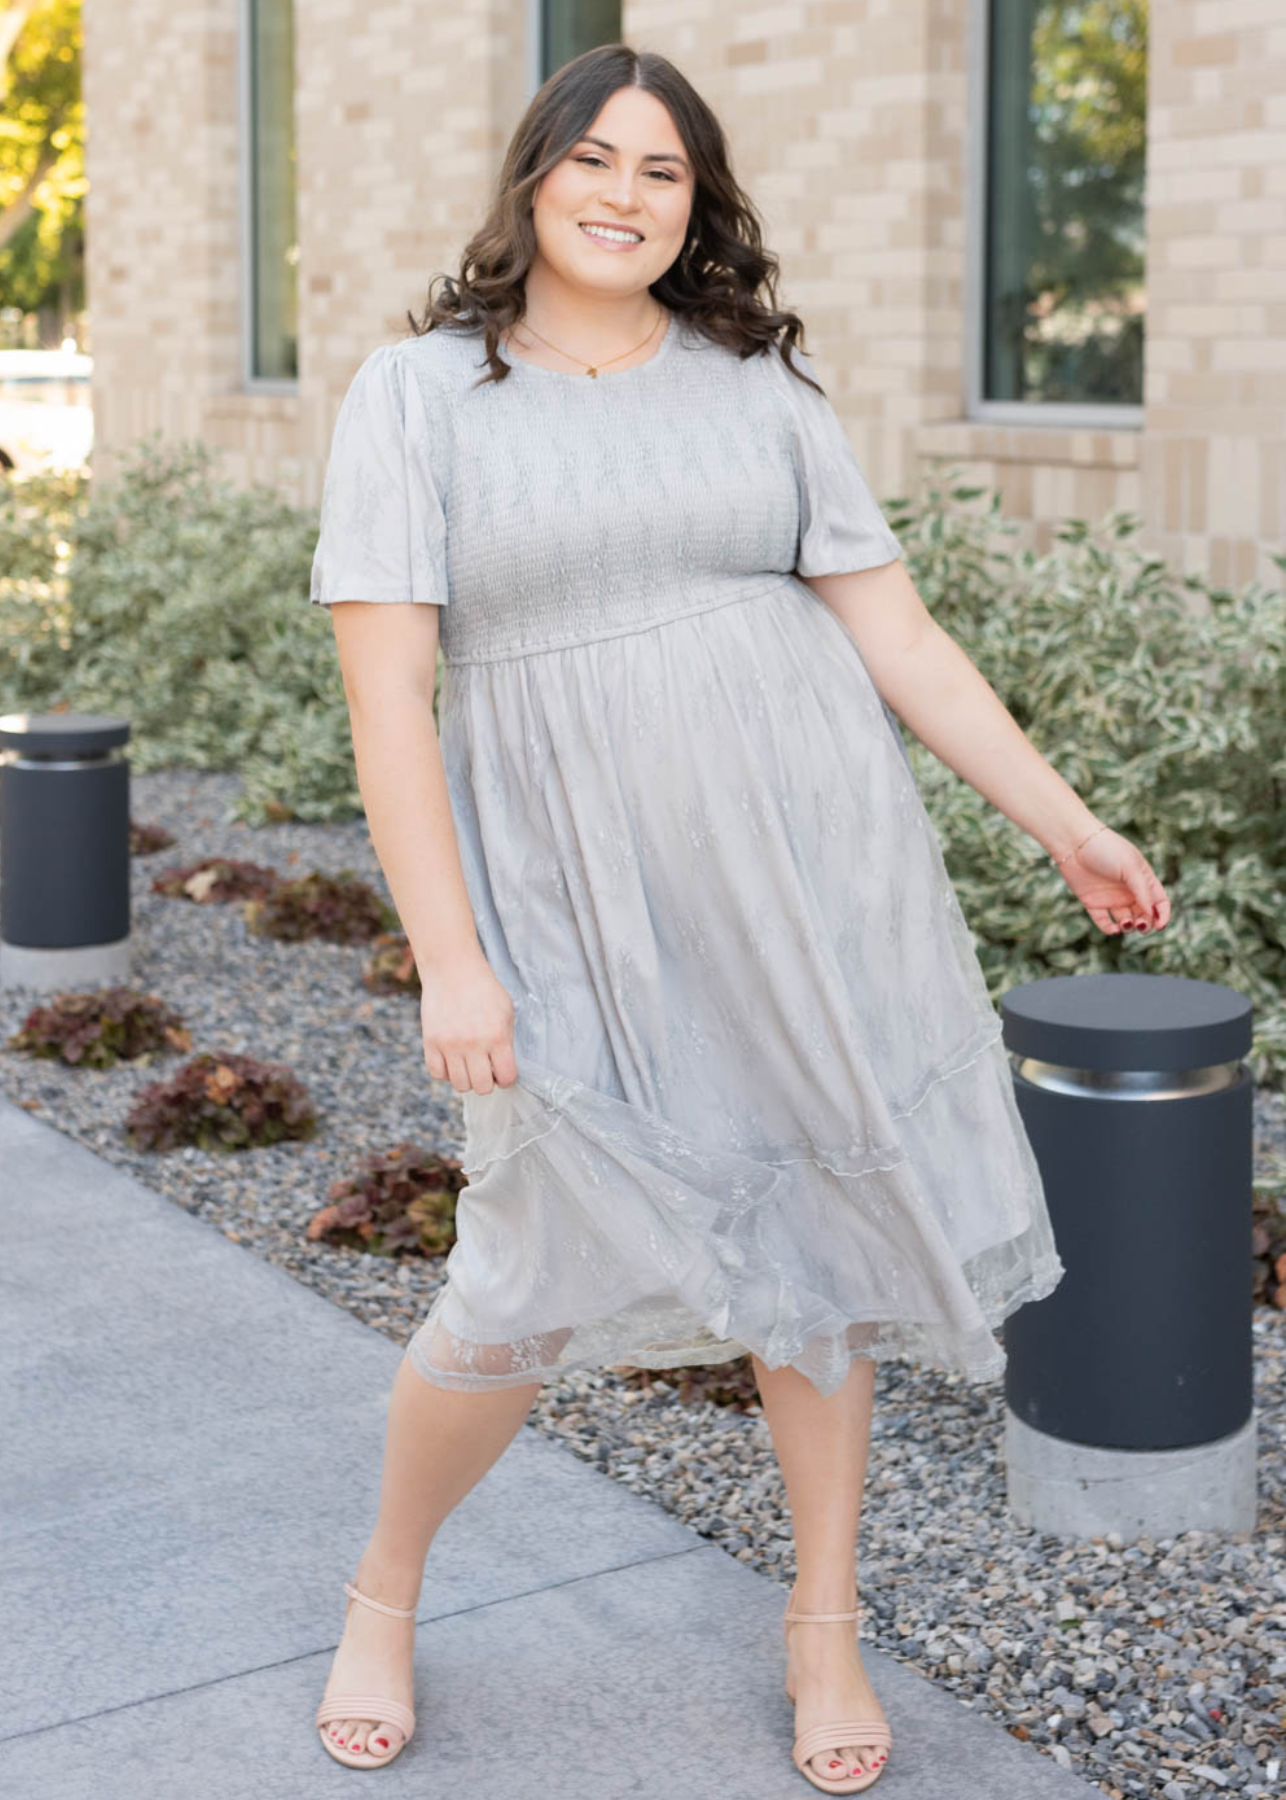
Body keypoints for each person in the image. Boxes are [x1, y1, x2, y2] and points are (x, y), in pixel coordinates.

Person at [305, 43, 1171, 1794]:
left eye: (666, 174)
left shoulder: (758, 382)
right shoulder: (419, 396)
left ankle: (821, 1631)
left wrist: (1064, 821)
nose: (627, 197)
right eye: (596, 162)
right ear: (532, 177)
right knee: (517, 1276)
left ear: (697, 205)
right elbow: (388, 702)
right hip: (567, 893)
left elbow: (898, 639)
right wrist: (451, 954)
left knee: (822, 1263)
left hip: (801, 872)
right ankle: (381, 1593)